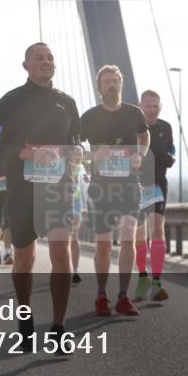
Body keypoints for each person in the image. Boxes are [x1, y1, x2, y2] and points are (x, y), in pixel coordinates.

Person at [0, 42, 80, 351]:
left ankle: (58, 328)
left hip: (58, 188)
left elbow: (74, 142)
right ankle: (25, 320)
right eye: (39, 58)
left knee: (60, 253)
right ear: (25, 65)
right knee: (25, 259)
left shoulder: (67, 103)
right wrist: (21, 153)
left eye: (51, 58)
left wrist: (77, 151)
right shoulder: (9, 102)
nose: (46, 62)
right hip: (22, 190)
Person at [80, 65, 150, 318]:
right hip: (101, 187)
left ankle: (123, 296)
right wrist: (91, 155)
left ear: (121, 85)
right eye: (107, 82)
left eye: (115, 81)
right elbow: (75, 150)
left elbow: (144, 137)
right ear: (100, 88)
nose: (112, 86)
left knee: (129, 235)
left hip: (129, 184)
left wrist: (140, 155)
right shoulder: (88, 117)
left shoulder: (134, 113)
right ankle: (101, 294)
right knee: (104, 244)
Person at [135, 89, 175, 301]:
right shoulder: (133, 128)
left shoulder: (166, 127)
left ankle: (157, 281)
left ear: (160, 107)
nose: (152, 110)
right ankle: (143, 277)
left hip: (157, 183)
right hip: (135, 185)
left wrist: (169, 156)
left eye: (155, 106)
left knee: (157, 229)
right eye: (148, 106)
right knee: (139, 235)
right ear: (140, 106)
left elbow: (171, 149)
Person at [68, 145, 89, 284]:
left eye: (81, 154)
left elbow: (84, 189)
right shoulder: (63, 166)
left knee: (74, 236)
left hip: (76, 204)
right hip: (61, 203)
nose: (79, 156)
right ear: (70, 154)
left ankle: (75, 271)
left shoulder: (82, 168)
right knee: (64, 239)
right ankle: (63, 267)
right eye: (77, 153)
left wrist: (88, 182)